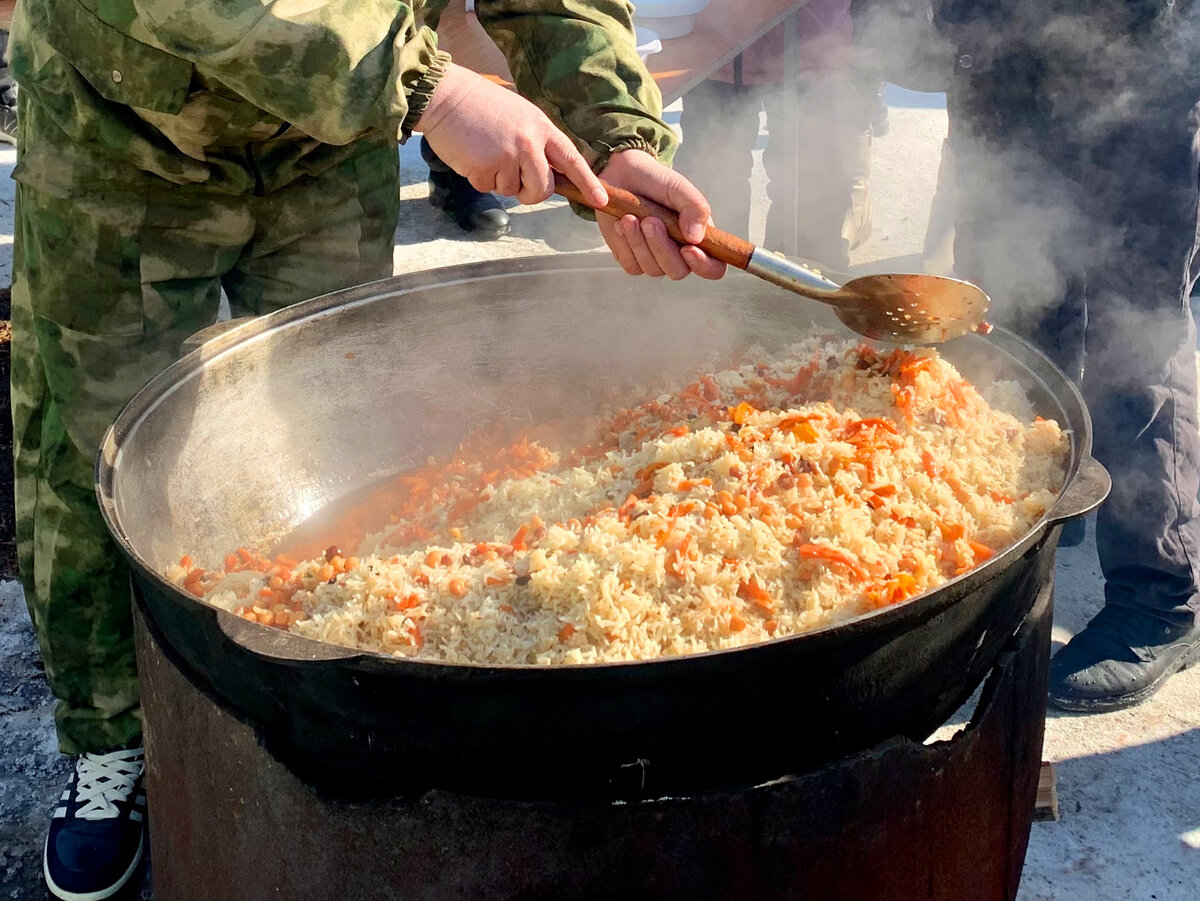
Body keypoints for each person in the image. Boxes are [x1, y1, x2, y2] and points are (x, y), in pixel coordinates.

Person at [7, 0, 725, 897]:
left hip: (329, 141)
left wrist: (613, 129)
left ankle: (334, 680)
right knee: (91, 449)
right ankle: (109, 739)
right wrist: (431, 86)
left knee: (342, 419)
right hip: (121, 127)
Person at [934, 1, 1200, 711]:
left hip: (1143, 59)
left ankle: (1162, 595)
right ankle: (1050, 507)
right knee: (1013, 307)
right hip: (1001, 51)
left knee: (1133, 326)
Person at [672, 0, 873, 271]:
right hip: (715, 43)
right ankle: (710, 295)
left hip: (815, 45)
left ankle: (804, 296)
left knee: (810, 201)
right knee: (710, 194)